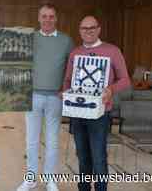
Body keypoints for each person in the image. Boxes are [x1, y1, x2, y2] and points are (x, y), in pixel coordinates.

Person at [62, 15, 131, 191]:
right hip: (78, 114)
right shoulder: (75, 53)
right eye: (84, 28)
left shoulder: (112, 51)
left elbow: (125, 80)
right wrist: (65, 93)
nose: (88, 31)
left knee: (99, 157)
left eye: (92, 27)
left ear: (99, 29)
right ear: (80, 31)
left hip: (100, 114)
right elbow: (68, 80)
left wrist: (110, 90)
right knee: (82, 156)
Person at [16, 0, 74, 191]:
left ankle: (50, 180)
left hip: (55, 97)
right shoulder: (29, 39)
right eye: (44, 16)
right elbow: (20, 64)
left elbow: (72, 67)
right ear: (38, 18)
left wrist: (67, 87)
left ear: (56, 19)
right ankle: (31, 179)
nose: (48, 20)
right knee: (31, 141)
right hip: (32, 96)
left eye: (51, 16)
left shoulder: (66, 40)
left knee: (53, 141)